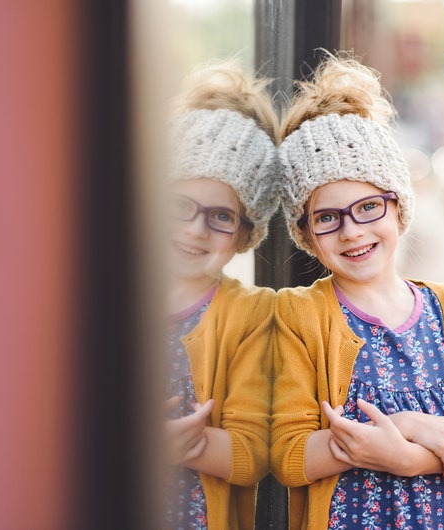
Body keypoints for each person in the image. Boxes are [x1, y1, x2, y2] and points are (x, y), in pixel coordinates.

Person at [271, 54, 444, 529]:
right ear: (306, 232)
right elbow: (289, 454)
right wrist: (406, 426)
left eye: (368, 207)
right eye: (327, 218)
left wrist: (410, 459)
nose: (351, 232)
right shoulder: (300, 316)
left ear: (398, 206)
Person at [163, 59, 279, 530]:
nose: (196, 229)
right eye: (179, 205)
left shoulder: (249, 315)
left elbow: (253, 451)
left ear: (243, 234)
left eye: (221, 216)